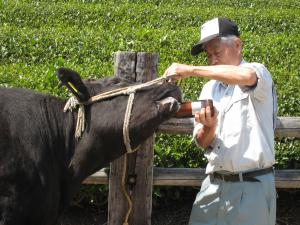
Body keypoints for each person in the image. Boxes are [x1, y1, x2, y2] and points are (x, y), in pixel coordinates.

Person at [164, 17, 277, 225]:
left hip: (253, 187)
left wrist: (190, 70)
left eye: (217, 52)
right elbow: (202, 141)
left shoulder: (257, 71)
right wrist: (209, 128)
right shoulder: (209, 88)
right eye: (208, 55)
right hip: (213, 184)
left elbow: (246, 76)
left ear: (237, 45)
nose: (213, 60)